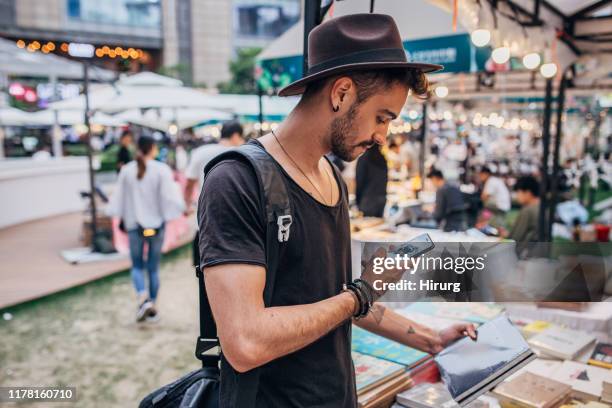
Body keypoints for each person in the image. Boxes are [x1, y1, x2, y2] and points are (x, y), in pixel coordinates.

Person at [198, 14, 476, 407]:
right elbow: (246, 342)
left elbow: (337, 301)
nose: (383, 136)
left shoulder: (331, 176)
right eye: (382, 118)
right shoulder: (236, 180)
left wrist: (429, 338)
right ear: (342, 93)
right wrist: (360, 292)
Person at [108, 136, 185, 323]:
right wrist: (183, 208)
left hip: (134, 226)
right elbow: (170, 198)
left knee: (137, 266)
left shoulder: (126, 170)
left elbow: (118, 200)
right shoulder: (162, 170)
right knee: (153, 269)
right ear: (152, 148)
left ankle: (143, 298)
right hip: (157, 226)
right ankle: (152, 306)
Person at [184, 121, 244, 265]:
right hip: (234, 220)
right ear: (236, 136)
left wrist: (187, 205)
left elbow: (189, 184)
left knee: (202, 267)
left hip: (204, 218)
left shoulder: (201, 152)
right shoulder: (240, 153)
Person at [502, 175, 540, 245]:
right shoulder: (542, 207)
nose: (517, 196)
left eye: (518, 192)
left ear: (528, 193)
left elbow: (515, 238)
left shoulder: (528, 210)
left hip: (524, 252)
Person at [355, 144, 388, 217]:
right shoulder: (382, 158)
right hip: (381, 198)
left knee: (368, 226)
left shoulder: (364, 158)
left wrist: (357, 201)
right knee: (378, 225)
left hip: (368, 199)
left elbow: (360, 181)